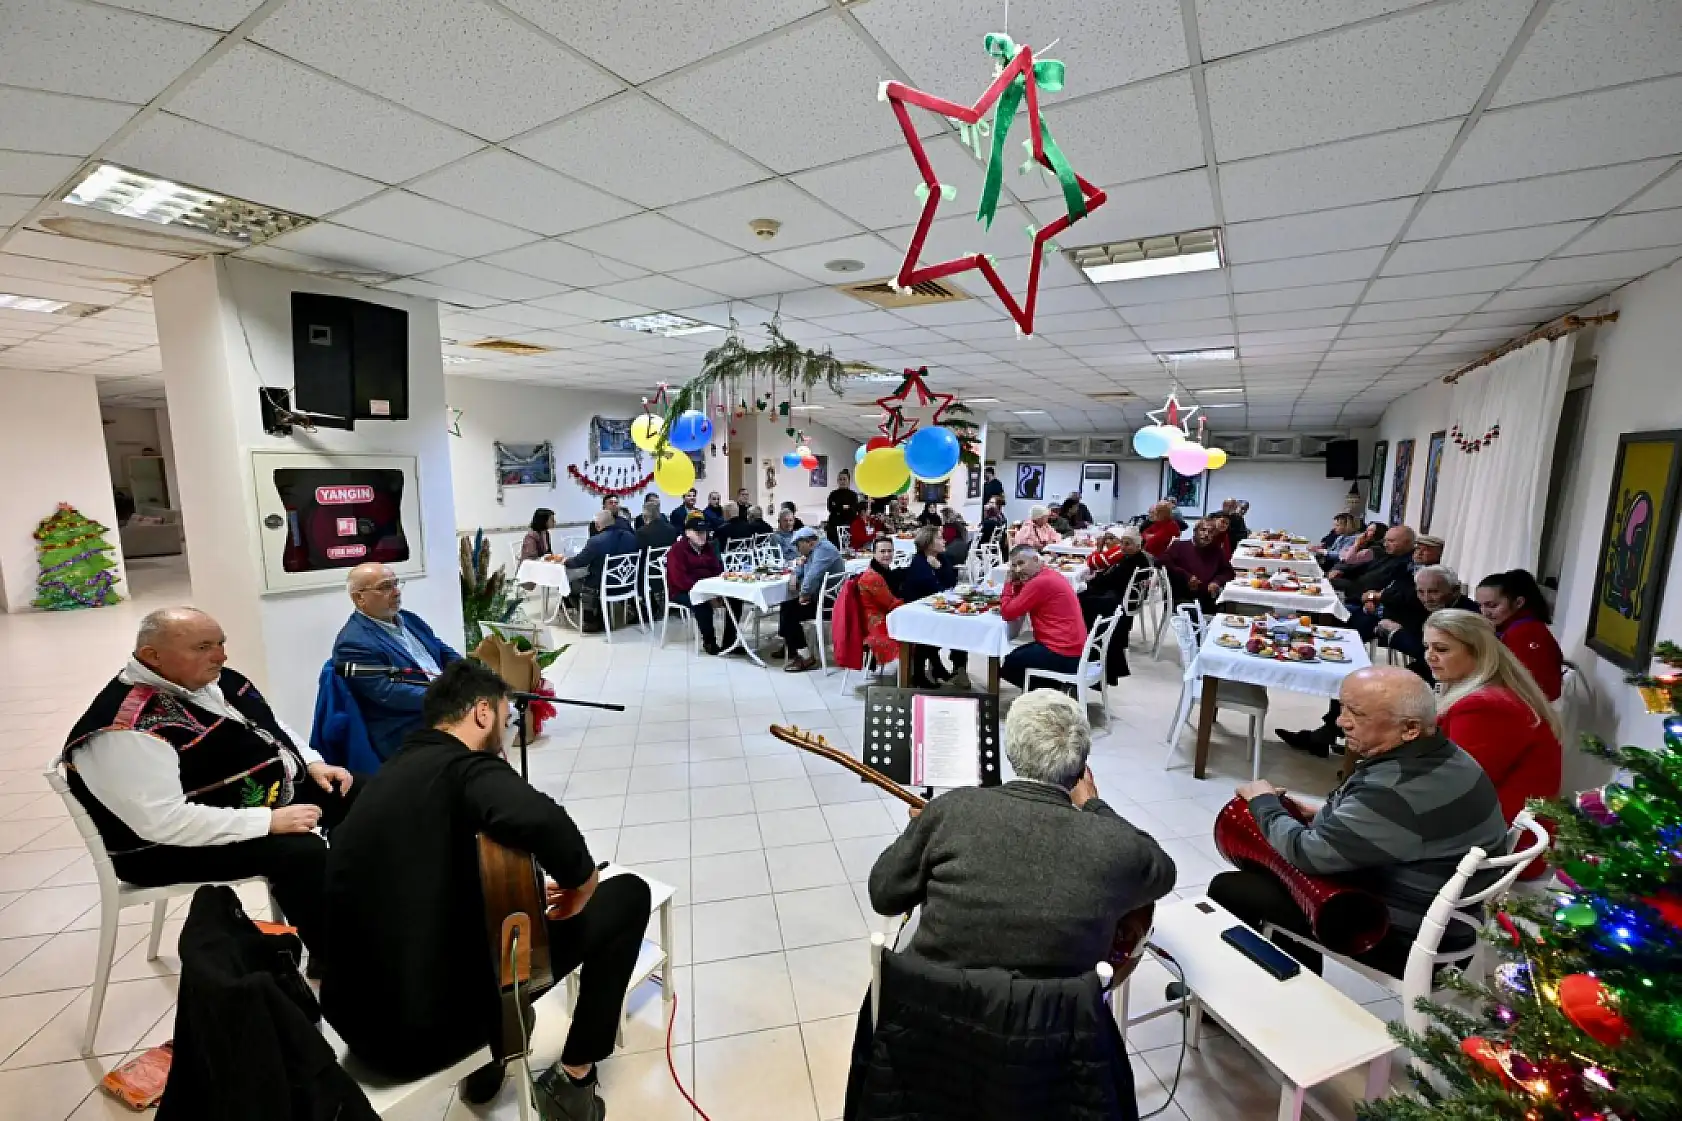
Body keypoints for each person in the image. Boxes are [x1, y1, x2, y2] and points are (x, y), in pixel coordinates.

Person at [321, 660, 649, 1120]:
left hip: (358, 1025)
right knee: (629, 895)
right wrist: (583, 879)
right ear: (481, 713)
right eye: (506, 716)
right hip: (427, 1035)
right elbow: (539, 818)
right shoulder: (463, 769)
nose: (509, 727)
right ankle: (574, 1079)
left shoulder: (387, 774)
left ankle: (491, 1065)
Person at [64, 608, 356, 958]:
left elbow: (272, 726)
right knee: (300, 853)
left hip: (248, 799)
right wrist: (268, 822)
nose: (221, 655)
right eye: (203, 647)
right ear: (151, 656)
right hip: (159, 849)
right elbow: (162, 823)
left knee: (366, 795)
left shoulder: (212, 680)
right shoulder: (126, 731)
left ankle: (373, 912)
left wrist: (312, 763)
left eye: (220, 643)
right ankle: (337, 960)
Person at [1211, 667, 1508, 977]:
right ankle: (1293, 982)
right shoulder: (1448, 756)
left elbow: (1307, 855)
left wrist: (1264, 802)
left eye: (1358, 714)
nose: (1341, 722)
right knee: (1278, 878)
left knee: (1234, 887)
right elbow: (1397, 824)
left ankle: (1282, 994)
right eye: (1342, 707)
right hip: (1450, 917)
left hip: (1410, 936)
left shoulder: (1392, 791)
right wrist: (1324, 815)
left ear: (1409, 729)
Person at [869, 689, 1175, 975]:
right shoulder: (1111, 842)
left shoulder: (951, 809)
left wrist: (920, 828)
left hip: (932, 1016)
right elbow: (1163, 871)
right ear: (1081, 767)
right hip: (1055, 1026)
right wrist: (1094, 805)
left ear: (1012, 752)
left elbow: (884, 894)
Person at [1279, 564, 1475, 756]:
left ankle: (1350, 743)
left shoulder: (1464, 616)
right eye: (1421, 592)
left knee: (1368, 690)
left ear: (1454, 590)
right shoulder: (1428, 604)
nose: (1426, 598)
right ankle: (1335, 736)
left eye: (1433, 592)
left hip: (1447, 682)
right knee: (1354, 677)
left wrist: (1397, 633)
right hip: (1424, 670)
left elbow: (1425, 653)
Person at [1423, 609, 1563, 823]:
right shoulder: (1483, 693)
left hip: (1492, 834)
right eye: (1427, 647)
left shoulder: (1484, 706)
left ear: (1478, 652)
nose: (1429, 656)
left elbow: (1459, 783)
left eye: (1441, 649)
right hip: (1483, 819)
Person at [333, 563, 462, 759]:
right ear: (359, 598)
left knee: (505, 713)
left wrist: (469, 677)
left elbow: (443, 652)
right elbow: (388, 692)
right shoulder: (353, 642)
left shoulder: (408, 619)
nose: (396, 593)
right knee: (484, 727)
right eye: (385, 587)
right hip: (407, 722)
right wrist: (446, 697)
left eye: (396, 584)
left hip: (441, 702)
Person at [999, 545, 1088, 691]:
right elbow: (1022, 601)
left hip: (1063, 652)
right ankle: (1054, 688)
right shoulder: (1049, 574)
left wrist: (1008, 584)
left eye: (1021, 563)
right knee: (1020, 654)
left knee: (1009, 664)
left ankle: (1048, 693)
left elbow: (1008, 612)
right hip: (1075, 648)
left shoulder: (1038, 583)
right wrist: (1018, 584)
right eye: (1014, 566)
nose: (1017, 570)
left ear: (1035, 559)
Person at [1475, 569, 1565, 701]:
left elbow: (1541, 689)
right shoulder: (1506, 628)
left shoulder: (1526, 633)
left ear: (1518, 603)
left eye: (1492, 605)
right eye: (1480, 605)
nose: (1484, 612)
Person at [1080, 527, 1151, 685]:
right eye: (1123, 543)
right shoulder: (1131, 558)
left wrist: (1091, 582)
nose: (1124, 547)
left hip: (1119, 600)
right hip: (1120, 595)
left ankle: (1086, 641)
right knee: (1083, 595)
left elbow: (1111, 580)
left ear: (1138, 546)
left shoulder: (1134, 561)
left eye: (1128, 544)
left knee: (1081, 600)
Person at [900, 526, 968, 688]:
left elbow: (951, 583)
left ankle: (957, 668)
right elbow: (937, 590)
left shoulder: (942, 558)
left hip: (935, 608)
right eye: (939, 538)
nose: (944, 541)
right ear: (928, 543)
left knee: (961, 625)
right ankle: (926, 671)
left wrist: (939, 567)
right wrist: (940, 576)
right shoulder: (919, 562)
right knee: (944, 627)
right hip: (917, 611)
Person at [665, 515, 736, 655]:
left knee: (734, 599)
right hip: (682, 591)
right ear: (688, 533)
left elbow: (717, 569)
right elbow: (679, 579)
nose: (703, 536)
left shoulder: (708, 547)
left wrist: (716, 589)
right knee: (702, 603)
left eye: (705, 532)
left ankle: (731, 640)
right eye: (699, 533)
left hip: (708, 587)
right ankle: (709, 641)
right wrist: (705, 593)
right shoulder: (677, 550)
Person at [779, 527, 846, 672]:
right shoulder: (816, 550)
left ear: (808, 542)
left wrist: (804, 593)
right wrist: (794, 575)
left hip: (830, 604)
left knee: (790, 613)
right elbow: (802, 567)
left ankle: (805, 656)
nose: (797, 550)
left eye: (798, 546)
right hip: (822, 598)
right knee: (786, 606)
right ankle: (790, 647)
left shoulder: (824, 550)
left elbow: (812, 575)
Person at [562, 509, 640, 605]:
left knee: (569, 583)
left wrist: (564, 561)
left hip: (603, 587)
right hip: (630, 584)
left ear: (597, 526)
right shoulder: (631, 537)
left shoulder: (596, 541)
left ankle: (588, 615)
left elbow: (579, 562)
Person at [1160, 518, 1234, 616]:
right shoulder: (1179, 546)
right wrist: (1186, 577)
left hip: (1206, 597)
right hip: (1181, 596)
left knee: (1229, 612)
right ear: (1195, 531)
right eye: (1203, 530)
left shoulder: (1217, 551)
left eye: (1211, 532)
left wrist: (1217, 581)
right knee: (1195, 615)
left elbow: (1228, 572)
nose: (1206, 534)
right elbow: (1161, 562)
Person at [1329, 524, 1418, 603]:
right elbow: (1348, 561)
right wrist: (1339, 569)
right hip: (1352, 586)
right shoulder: (1381, 550)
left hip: (1362, 597)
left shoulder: (1408, 565)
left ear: (1408, 542)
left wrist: (1371, 598)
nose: (1386, 544)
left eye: (1391, 541)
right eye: (1385, 540)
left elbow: (1391, 593)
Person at [856, 535, 904, 670]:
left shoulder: (883, 571)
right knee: (912, 634)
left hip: (882, 616)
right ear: (874, 553)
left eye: (890, 551)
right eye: (882, 551)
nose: (887, 554)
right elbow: (891, 603)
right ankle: (911, 675)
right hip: (874, 625)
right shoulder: (872, 577)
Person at [826, 469, 858, 546]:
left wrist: (838, 507)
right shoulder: (833, 494)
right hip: (834, 525)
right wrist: (844, 507)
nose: (842, 481)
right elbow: (830, 508)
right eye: (840, 479)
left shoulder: (853, 495)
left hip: (849, 524)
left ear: (848, 481)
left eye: (844, 479)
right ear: (838, 481)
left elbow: (853, 509)